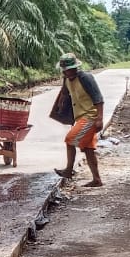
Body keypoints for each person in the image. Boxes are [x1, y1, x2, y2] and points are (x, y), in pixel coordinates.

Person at [54, 53, 105, 187]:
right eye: (65, 70)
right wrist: (61, 104)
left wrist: (100, 118)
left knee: (70, 140)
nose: (68, 72)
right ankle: (97, 180)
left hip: (90, 116)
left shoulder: (86, 78)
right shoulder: (66, 79)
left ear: (76, 68)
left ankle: (69, 170)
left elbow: (98, 99)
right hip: (81, 116)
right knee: (88, 149)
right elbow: (65, 92)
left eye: (70, 69)